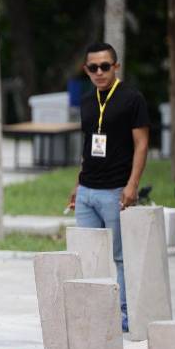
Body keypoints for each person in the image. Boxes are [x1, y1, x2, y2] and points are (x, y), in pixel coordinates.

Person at [67, 43, 150, 331]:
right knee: (87, 255)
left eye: (105, 66)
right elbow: (88, 145)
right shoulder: (88, 102)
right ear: (86, 70)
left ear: (116, 66)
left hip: (117, 191)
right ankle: (91, 311)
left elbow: (141, 145)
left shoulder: (131, 99)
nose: (99, 72)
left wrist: (132, 185)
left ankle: (125, 315)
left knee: (121, 257)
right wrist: (78, 183)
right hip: (88, 190)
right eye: (93, 67)